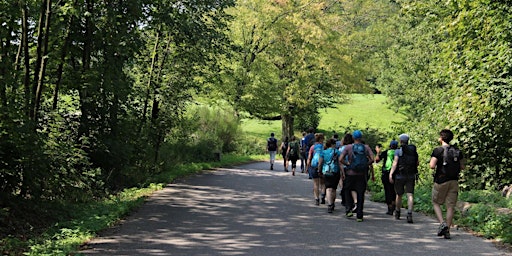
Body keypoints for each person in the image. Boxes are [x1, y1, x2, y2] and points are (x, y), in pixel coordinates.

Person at [429, 129, 465, 239]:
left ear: (441, 138)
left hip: (441, 180)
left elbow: (432, 165)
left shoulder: (437, 150)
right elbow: (462, 166)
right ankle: (447, 230)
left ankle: (442, 223)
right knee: (450, 206)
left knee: (435, 202)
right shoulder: (457, 151)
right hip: (454, 181)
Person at [339, 130, 374, 222]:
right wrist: (366, 164)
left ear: (353, 138)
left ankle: (348, 209)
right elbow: (372, 159)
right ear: (361, 138)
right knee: (360, 193)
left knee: (347, 190)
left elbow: (340, 159)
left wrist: (347, 164)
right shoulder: (366, 147)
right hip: (361, 174)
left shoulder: (348, 147)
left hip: (350, 173)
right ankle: (359, 215)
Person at [389, 134, 419, 223]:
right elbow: (417, 163)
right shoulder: (413, 151)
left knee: (399, 194)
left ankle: (397, 211)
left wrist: (391, 174)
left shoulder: (398, 151)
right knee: (410, 194)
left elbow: (395, 163)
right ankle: (409, 213)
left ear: (401, 141)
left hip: (400, 175)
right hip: (411, 175)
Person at [319, 138, 342, 213]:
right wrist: (342, 172)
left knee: (328, 188)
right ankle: (333, 203)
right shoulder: (337, 152)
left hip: (326, 171)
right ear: (333, 144)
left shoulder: (323, 152)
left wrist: (319, 171)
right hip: (335, 171)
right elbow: (340, 163)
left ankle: (329, 204)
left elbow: (320, 163)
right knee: (334, 189)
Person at [375, 140, 399, 215]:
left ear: (390, 146)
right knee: (395, 191)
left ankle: (390, 208)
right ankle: (395, 205)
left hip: (386, 174)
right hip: (397, 174)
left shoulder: (386, 152)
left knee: (387, 190)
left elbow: (377, 160)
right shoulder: (399, 153)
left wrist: (378, 152)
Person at [307, 133, 326, 205]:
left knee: (315, 183)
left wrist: (307, 166)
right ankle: (323, 196)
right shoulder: (324, 147)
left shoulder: (313, 147)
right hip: (323, 166)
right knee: (323, 183)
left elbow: (309, 157)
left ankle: (317, 199)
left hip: (314, 166)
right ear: (321, 139)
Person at [338, 133, 354, 207]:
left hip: (343, 167)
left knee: (344, 184)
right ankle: (351, 200)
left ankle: (344, 199)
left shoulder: (341, 148)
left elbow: (339, 160)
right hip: (352, 167)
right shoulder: (353, 147)